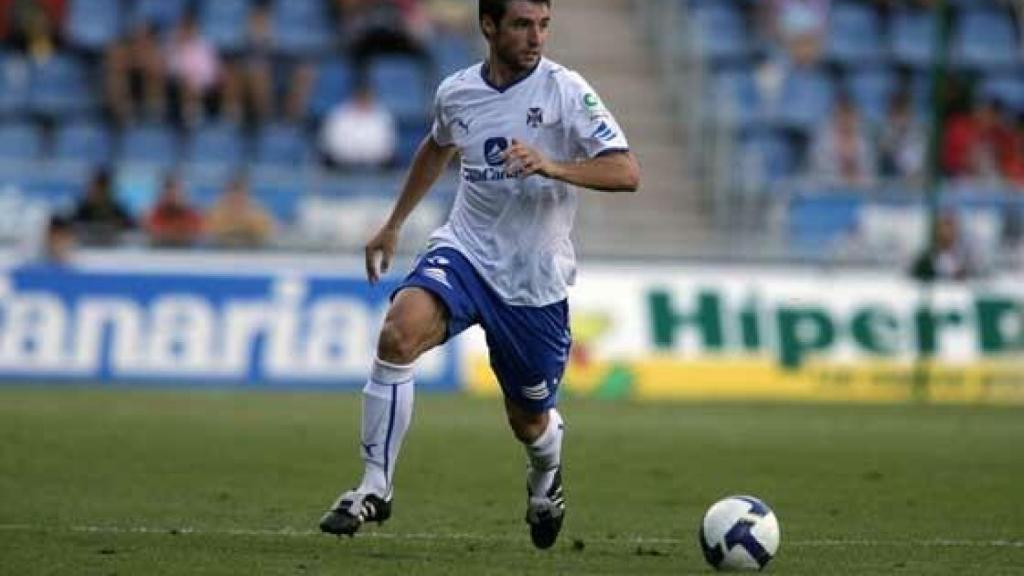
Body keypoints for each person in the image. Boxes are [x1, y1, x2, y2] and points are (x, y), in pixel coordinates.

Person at [317, 0, 640, 550]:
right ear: (489, 26)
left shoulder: (566, 91)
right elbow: (437, 146)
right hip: (465, 252)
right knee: (399, 331)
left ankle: (546, 476)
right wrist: (394, 224)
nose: (536, 37)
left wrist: (552, 164)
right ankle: (375, 486)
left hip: (532, 281)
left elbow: (626, 171)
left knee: (529, 422)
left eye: (543, 25)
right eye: (521, 25)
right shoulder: (458, 92)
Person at [319, 83, 398, 170]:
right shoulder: (338, 114)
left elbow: (387, 147)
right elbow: (331, 145)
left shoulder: (384, 116)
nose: (364, 100)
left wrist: (366, 156)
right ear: (355, 97)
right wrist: (353, 156)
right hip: (341, 165)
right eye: (361, 97)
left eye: (367, 97)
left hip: (376, 165)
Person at [204, 174, 276, 248]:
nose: (236, 198)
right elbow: (207, 232)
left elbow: (269, 232)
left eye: (240, 194)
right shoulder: (215, 210)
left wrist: (247, 222)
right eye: (232, 194)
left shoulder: (257, 211)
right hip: (220, 251)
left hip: (252, 252)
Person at [70, 168, 135, 246]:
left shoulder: (116, 209)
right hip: (88, 248)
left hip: (111, 250)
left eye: (102, 188)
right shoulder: (83, 209)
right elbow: (72, 227)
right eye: (95, 187)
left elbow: (130, 227)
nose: (97, 192)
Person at [144, 174, 203, 248]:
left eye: (177, 192)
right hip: (161, 252)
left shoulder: (191, 214)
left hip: (186, 253)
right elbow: (154, 231)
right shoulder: (157, 212)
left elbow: (195, 233)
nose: (174, 196)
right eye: (170, 192)